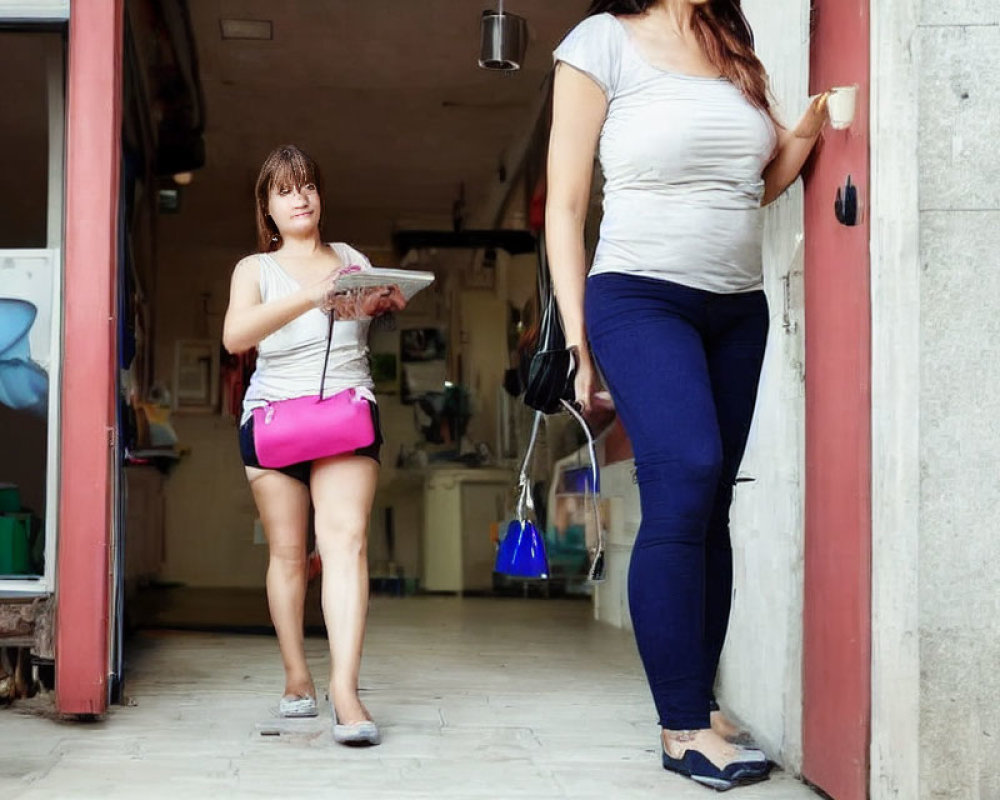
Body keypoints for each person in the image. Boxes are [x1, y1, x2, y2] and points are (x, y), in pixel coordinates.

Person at [545, 0, 828, 790]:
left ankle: (700, 705)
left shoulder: (729, 41)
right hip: (638, 297)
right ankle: (680, 727)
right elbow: (565, 208)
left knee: (712, 507)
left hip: (737, 306)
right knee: (688, 477)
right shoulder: (601, 42)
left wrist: (802, 132)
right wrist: (577, 340)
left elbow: (756, 183)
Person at [222, 144, 405, 746]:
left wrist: (380, 304)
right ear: (267, 209)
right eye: (284, 189)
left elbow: (353, 327)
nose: (299, 197)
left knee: (346, 541)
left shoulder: (352, 258)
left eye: (307, 186)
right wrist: (312, 294)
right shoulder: (255, 268)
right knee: (288, 554)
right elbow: (234, 337)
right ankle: (297, 676)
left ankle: (346, 692)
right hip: (275, 417)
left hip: (346, 411)